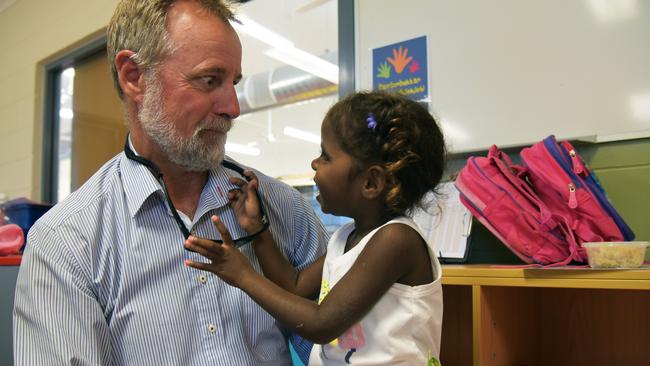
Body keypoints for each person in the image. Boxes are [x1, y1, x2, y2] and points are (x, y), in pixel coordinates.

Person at [13, 1, 328, 365]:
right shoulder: (67, 242)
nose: (233, 107)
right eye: (210, 80)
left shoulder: (281, 208)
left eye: (234, 82)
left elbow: (342, 349)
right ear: (134, 77)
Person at [185, 91, 447, 365]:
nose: (314, 163)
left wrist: (242, 275)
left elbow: (321, 324)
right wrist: (256, 227)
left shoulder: (396, 239)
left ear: (371, 183)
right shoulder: (345, 238)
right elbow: (295, 286)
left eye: (326, 156)